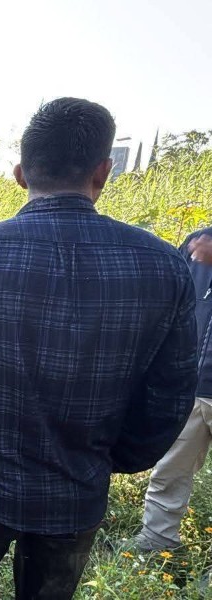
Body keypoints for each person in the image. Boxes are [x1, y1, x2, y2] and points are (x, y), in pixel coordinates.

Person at [0, 98, 197, 599]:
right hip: (77, 494)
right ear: (104, 172)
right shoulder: (165, 267)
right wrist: (105, 460)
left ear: (20, 173)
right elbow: (170, 399)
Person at [132, 225, 212, 551]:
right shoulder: (198, 242)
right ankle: (156, 547)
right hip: (194, 386)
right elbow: (171, 305)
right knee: (169, 474)